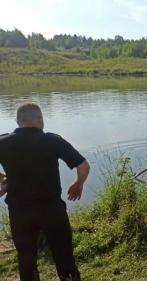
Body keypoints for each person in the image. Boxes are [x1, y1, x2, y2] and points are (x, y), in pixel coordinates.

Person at [0, 102, 90, 281]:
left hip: (19, 211)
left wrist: (2, 178)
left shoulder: (3, 142)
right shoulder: (52, 140)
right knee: (63, 253)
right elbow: (83, 166)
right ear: (40, 119)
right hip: (51, 208)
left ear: (18, 121)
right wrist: (78, 184)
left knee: (26, 257)